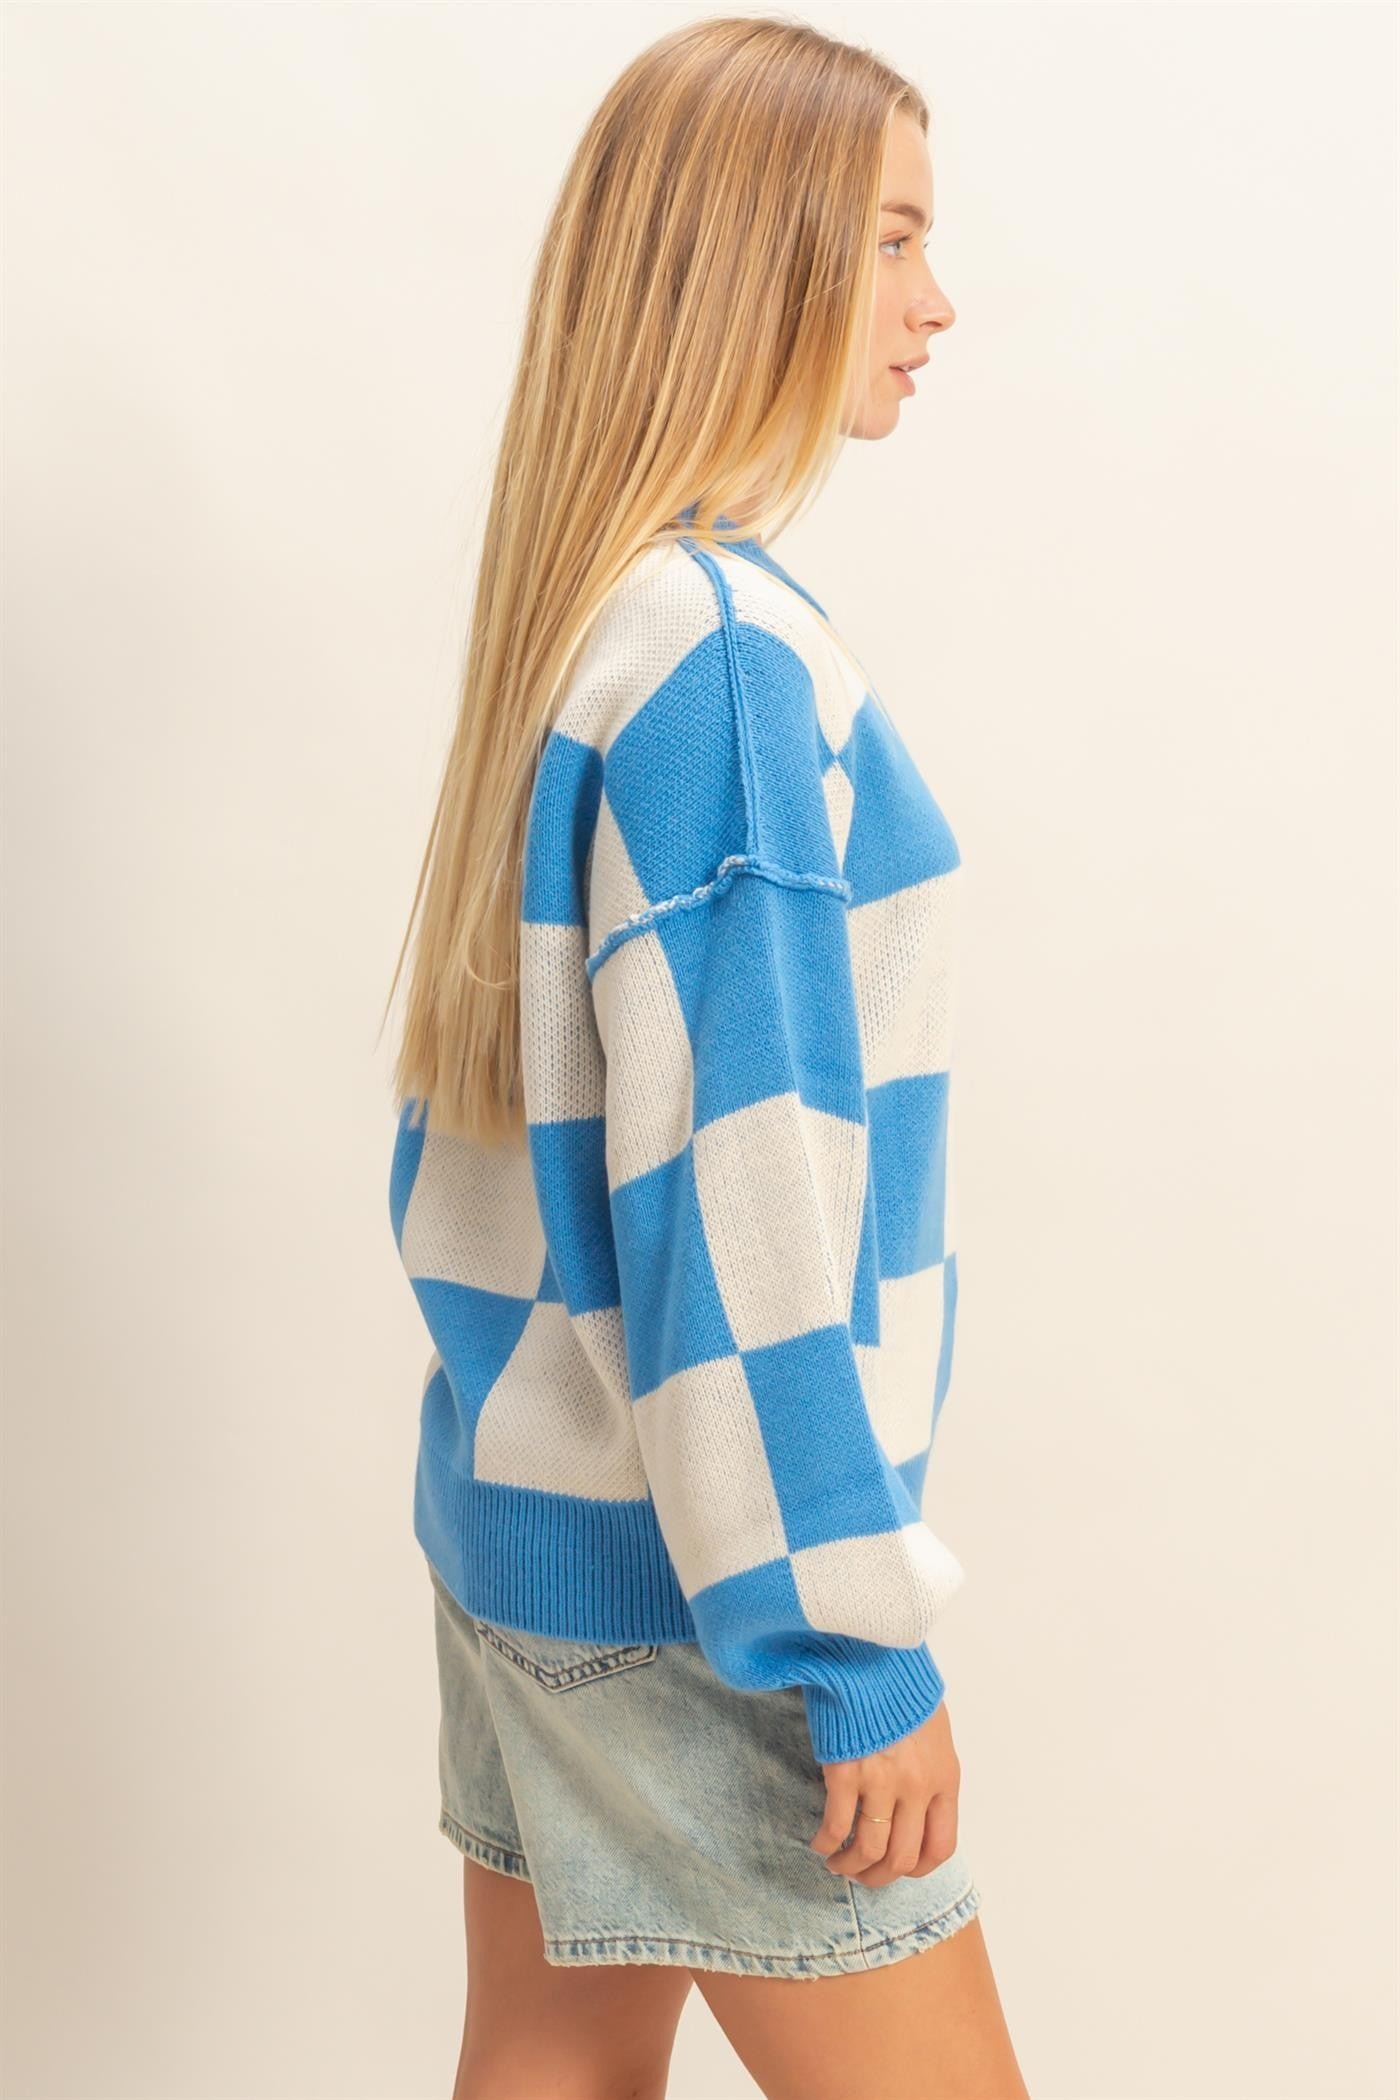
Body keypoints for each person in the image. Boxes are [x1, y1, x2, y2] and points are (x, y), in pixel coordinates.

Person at [382, 15, 1030, 2098]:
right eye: (893, 239)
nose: (936, 300)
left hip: (528, 1534)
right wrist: (850, 1643)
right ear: (759, 260)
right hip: (705, 1587)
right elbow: (736, 1210)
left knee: (551, 2064)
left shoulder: (589, 620)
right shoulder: (726, 666)